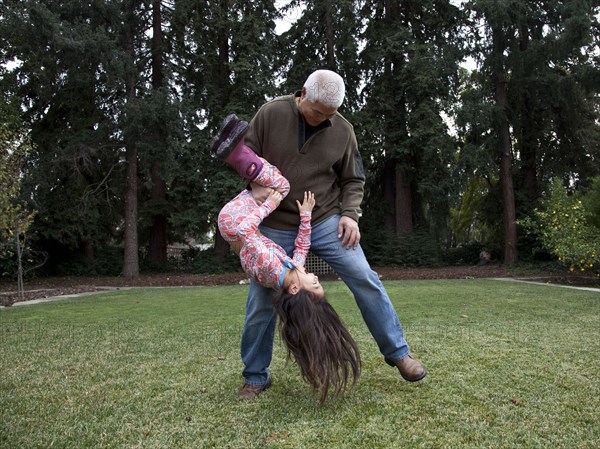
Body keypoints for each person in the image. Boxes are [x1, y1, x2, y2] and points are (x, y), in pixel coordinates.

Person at [237, 69, 427, 399]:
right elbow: (246, 158)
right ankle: (255, 375)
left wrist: (351, 216)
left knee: (364, 275)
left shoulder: (343, 131)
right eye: (317, 112)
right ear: (301, 95)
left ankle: (399, 354)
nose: (322, 120)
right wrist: (255, 188)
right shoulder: (271, 114)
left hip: (324, 219)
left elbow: (353, 180)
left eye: (330, 114)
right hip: (274, 224)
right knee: (260, 301)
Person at [210, 114, 361, 402]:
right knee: (276, 183)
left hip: (232, 221)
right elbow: (302, 247)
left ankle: (236, 153)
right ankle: (236, 151)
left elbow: (245, 231)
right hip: (241, 221)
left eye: (314, 285)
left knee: (280, 186)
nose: (316, 278)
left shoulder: (270, 268)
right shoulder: (292, 271)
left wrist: (270, 203)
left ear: (295, 289)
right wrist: (305, 216)